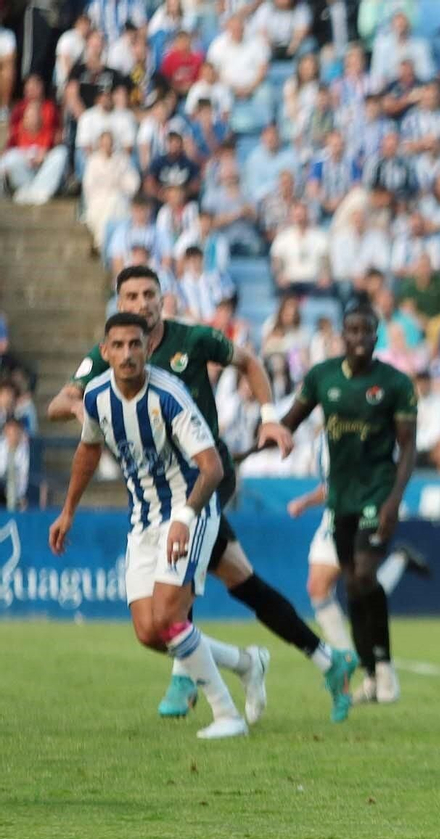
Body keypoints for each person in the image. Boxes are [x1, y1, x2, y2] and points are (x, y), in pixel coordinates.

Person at [45, 266, 359, 722]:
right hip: (157, 492)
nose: (141, 303)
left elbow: (249, 361)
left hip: (205, 477)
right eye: (130, 296)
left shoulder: (192, 341)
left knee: (174, 598)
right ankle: (323, 660)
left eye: (149, 294)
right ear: (120, 304)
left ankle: (185, 677)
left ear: (161, 298)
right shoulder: (112, 351)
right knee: (242, 582)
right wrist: (83, 406)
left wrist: (270, 417)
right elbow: (59, 403)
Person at [49, 314, 262, 740]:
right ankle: (246, 663)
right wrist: (68, 510)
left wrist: (185, 518)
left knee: (168, 616)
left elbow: (213, 467)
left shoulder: (170, 395)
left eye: (135, 345)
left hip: (190, 511)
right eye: (119, 346)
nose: (127, 354)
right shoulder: (96, 398)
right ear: (105, 351)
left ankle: (227, 715)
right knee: (149, 632)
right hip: (142, 518)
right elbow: (88, 451)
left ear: (148, 348)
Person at [278, 301, 418, 708]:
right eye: (351, 331)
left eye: (366, 331)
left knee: (361, 577)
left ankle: (385, 668)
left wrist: (394, 502)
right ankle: (373, 678)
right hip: (340, 499)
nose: (358, 338)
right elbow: (292, 419)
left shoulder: (395, 384)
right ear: (342, 335)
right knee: (351, 589)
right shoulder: (322, 377)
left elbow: (408, 449)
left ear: (376, 336)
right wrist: (272, 434)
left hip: (378, 494)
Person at [288, 430, 430, 660]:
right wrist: (305, 502)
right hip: (334, 516)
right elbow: (330, 486)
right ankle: (348, 656)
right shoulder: (322, 441)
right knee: (317, 587)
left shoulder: (366, 428)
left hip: (364, 513)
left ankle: (366, 660)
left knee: (360, 583)